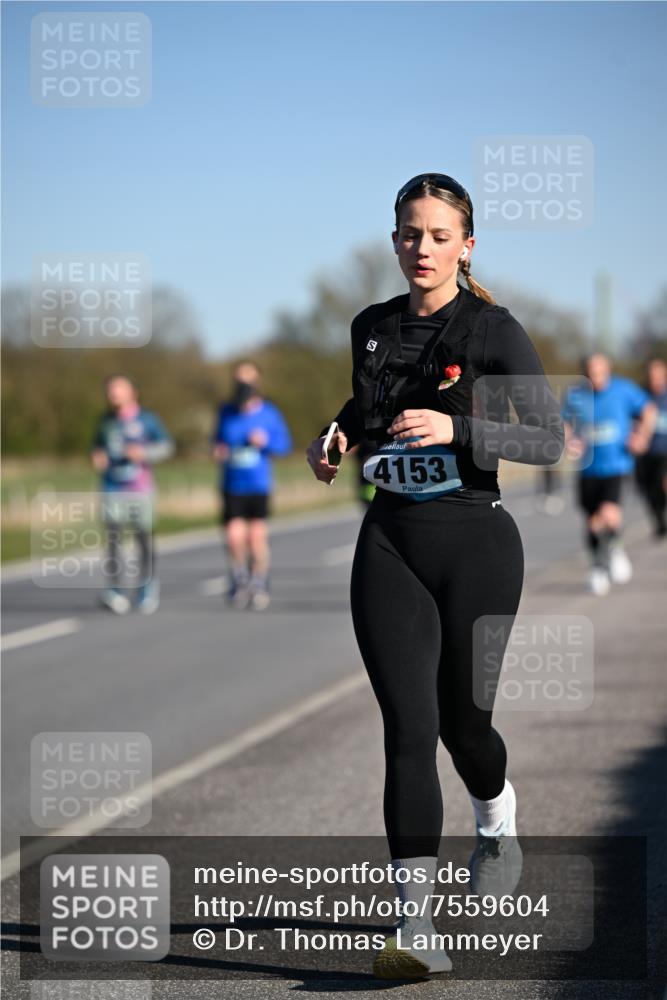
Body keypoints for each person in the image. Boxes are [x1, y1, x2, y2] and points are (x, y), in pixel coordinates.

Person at [306, 173, 564, 979]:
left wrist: (456, 426)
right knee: (408, 733)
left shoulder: (492, 329)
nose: (422, 248)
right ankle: (414, 927)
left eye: (438, 235)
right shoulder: (371, 326)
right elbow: (367, 404)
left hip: (475, 544)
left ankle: (495, 815)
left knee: (465, 731)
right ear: (393, 240)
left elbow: (548, 441)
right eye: (409, 234)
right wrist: (337, 432)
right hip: (388, 539)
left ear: (466, 245)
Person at [561, 353, 656, 595]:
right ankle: (597, 567)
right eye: (591, 370)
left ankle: (614, 548)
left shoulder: (624, 390)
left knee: (609, 512)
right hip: (588, 468)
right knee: (593, 522)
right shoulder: (575, 394)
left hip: (617, 465)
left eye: (599, 369)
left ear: (608, 369)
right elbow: (563, 422)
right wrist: (570, 440)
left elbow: (649, 409)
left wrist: (642, 437)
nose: (595, 374)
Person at [212, 360, 292, 610]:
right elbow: (217, 441)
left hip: (258, 483)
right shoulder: (226, 411)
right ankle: (239, 577)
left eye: (248, 379)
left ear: (257, 381)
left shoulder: (269, 412)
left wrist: (264, 442)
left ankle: (259, 581)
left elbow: (284, 446)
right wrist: (219, 450)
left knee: (256, 538)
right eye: (239, 379)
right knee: (234, 537)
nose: (243, 384)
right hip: (232, 483)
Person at [91, 374, 174, 614]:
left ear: (132, 393)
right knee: (114, 539)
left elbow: (167, 446)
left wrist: (144, 453)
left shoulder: (148, 419)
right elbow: (97, 447)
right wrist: (98, 457)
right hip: (111, 487)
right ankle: (115, 589)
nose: (113, 394)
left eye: (118, 389)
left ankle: (146, 586)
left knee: (142, 538)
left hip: (140, 489)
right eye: (110, 390)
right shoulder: (105, 421)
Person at [634, 357, 667, 538]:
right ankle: (660, 522)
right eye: (652, 375)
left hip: (665, 452)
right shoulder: (641, 397)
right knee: (650, 492)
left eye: (659, 375)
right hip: (647, 454)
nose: (655, 379)